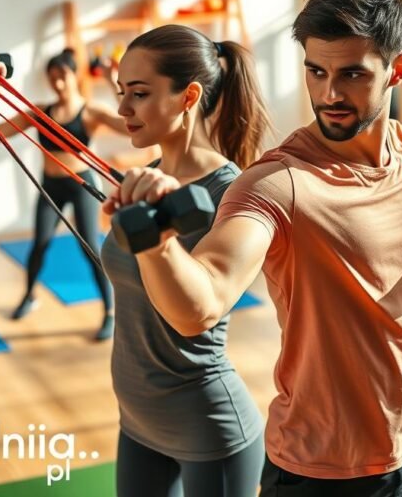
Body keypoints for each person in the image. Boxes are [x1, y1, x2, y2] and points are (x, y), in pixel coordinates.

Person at [105, 0, 402, 497]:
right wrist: (156, 242)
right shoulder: (277, 183)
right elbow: (199, 305)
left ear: (398, 70)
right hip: (317, 472)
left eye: (352, 75)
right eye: (315, 72)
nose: (329, 94)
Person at [100, 25, 272, 496]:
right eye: (121, 93)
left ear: (187, 96)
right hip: (137, 421)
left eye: (138, 93)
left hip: (208, 428)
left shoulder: (232, 193)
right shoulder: (145, 179)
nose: (122, 109)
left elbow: (198, 313)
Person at [0, 48, 124, 339]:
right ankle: (28, 296)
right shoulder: (39, 113)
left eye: (62, 76)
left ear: (73, 74)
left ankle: (110, 312)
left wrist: (114, 81)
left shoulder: (91, 111)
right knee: (39, 243)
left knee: (91, 247)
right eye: (52, 78)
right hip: (49, 186)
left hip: (81, 186)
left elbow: (132, 126)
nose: (58, 84)